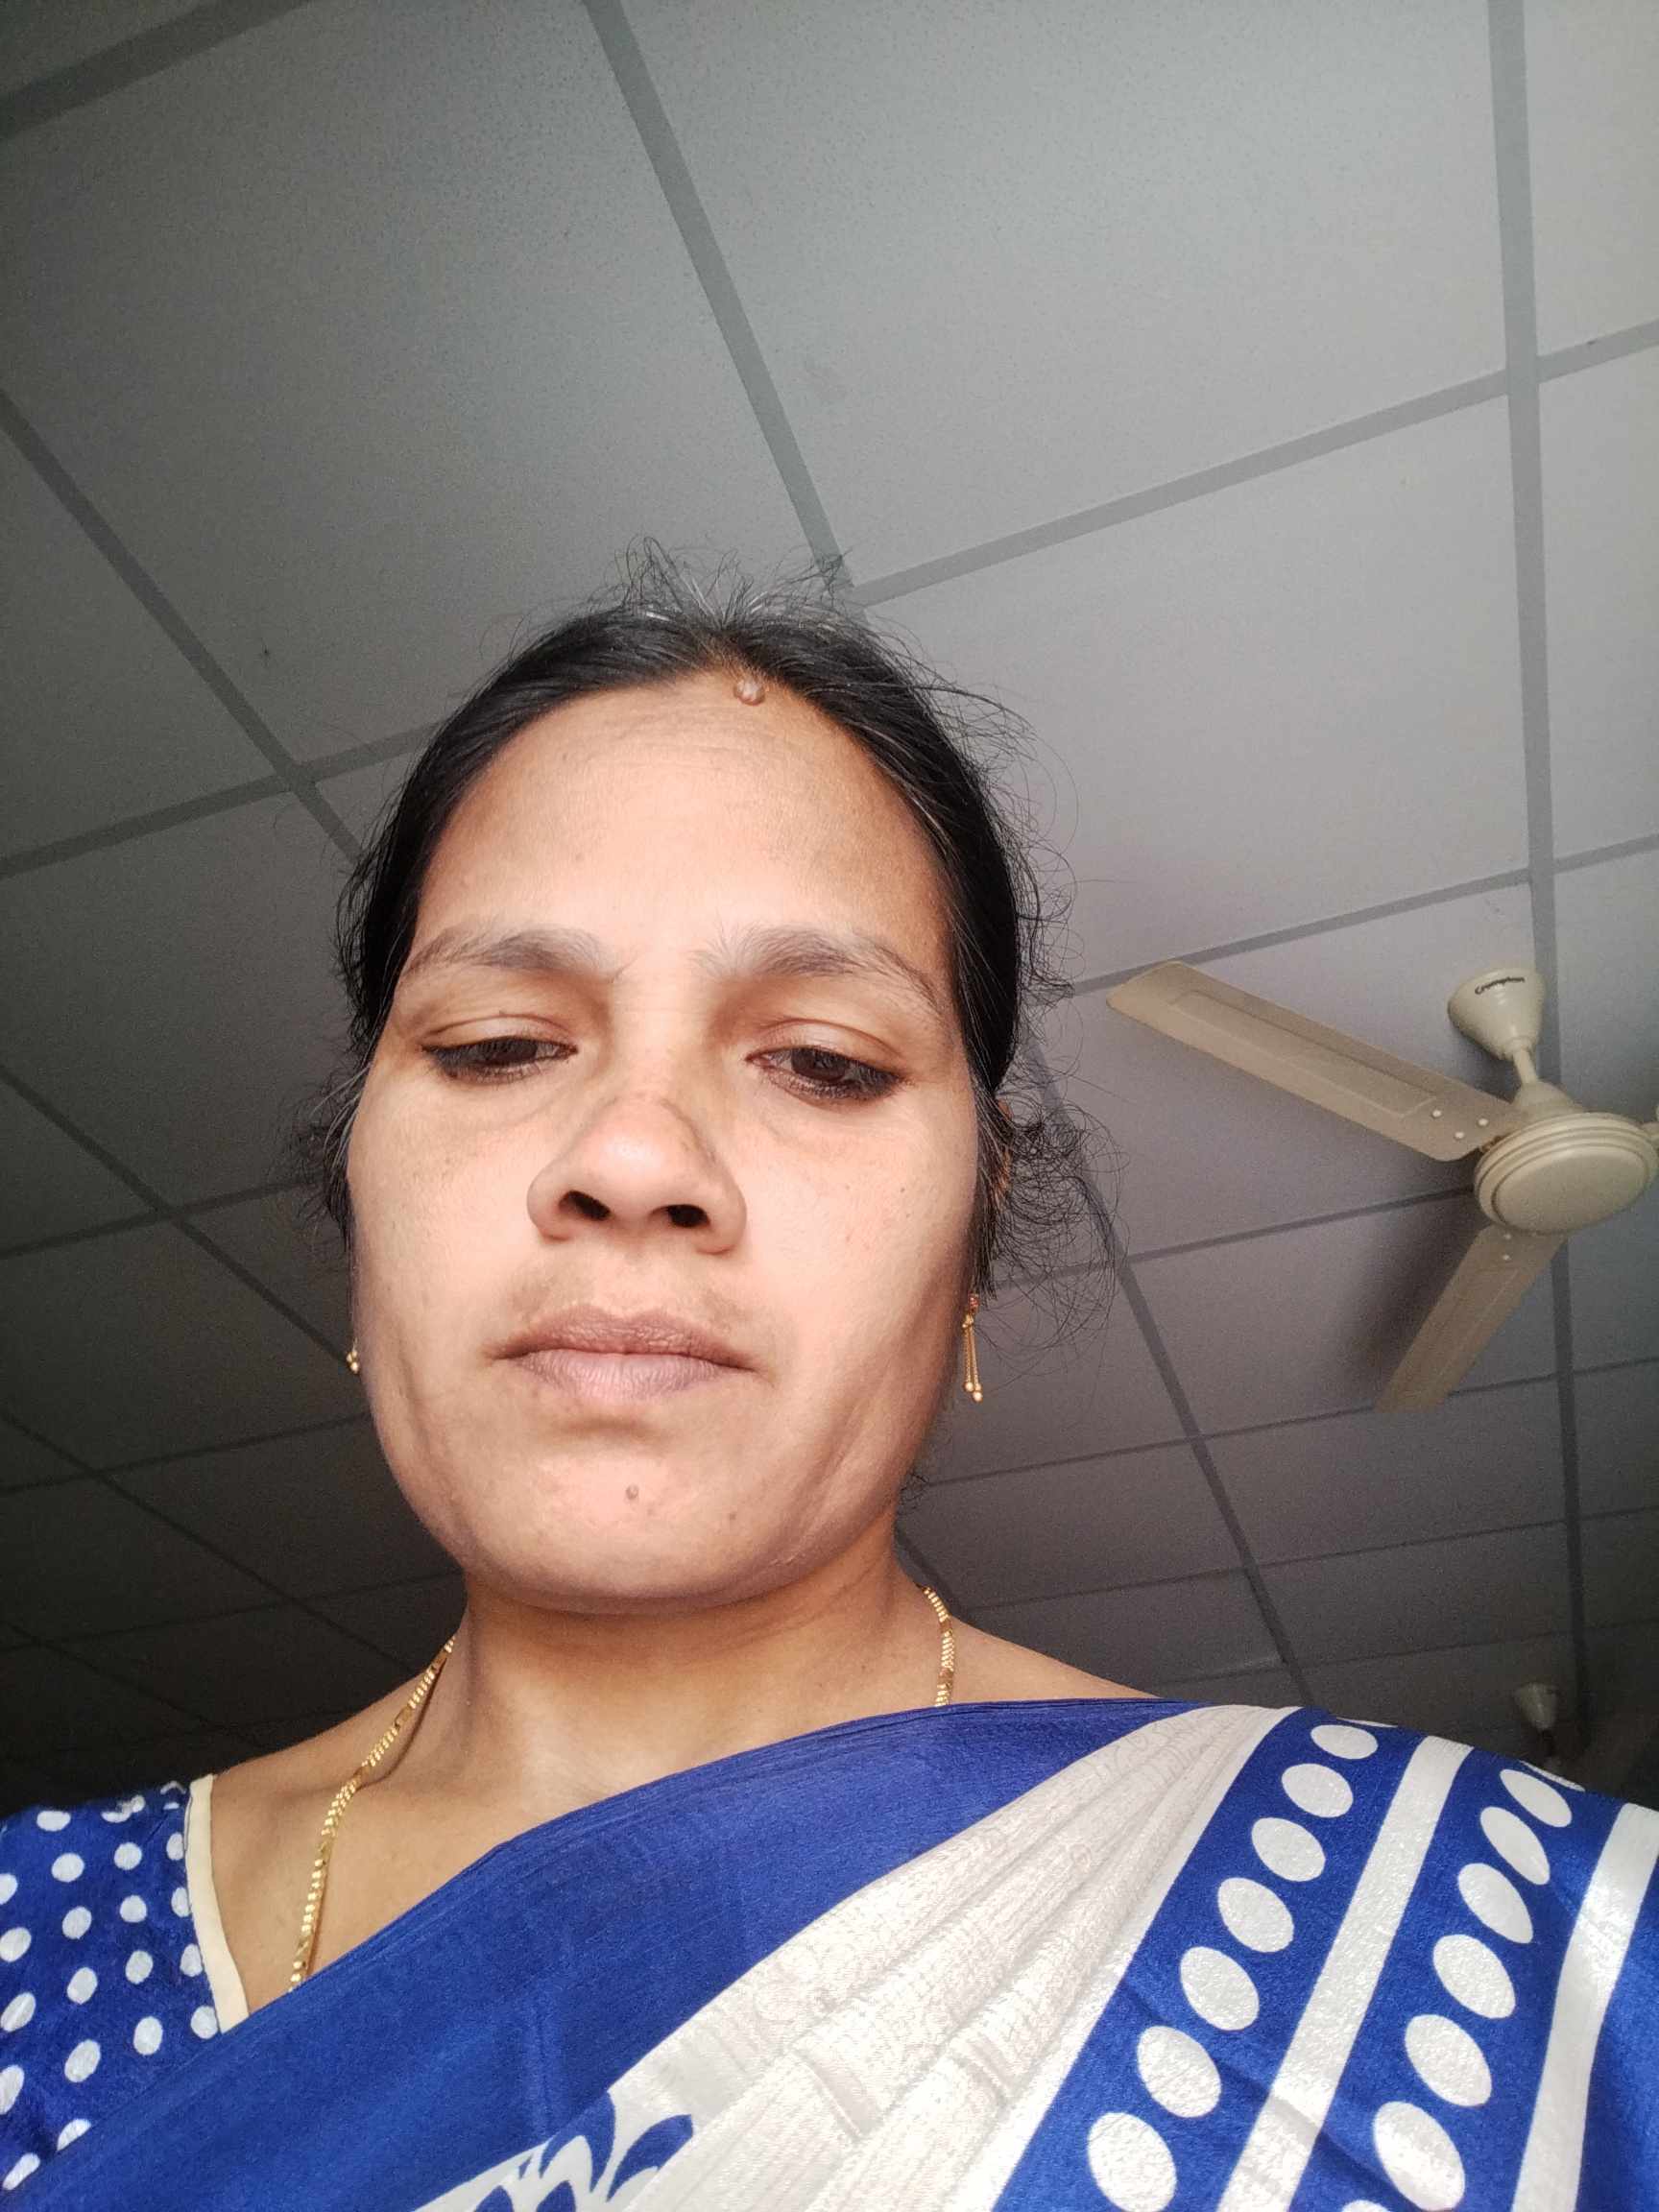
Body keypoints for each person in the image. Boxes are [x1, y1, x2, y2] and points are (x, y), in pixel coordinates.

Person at [1, 551, 1653, 2209]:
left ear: (972, 1247)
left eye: (824, 1061)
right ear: (359, 1201)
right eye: (496, 1045)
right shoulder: (32, 1944)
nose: (634, 1156)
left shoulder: (1521, 1942)